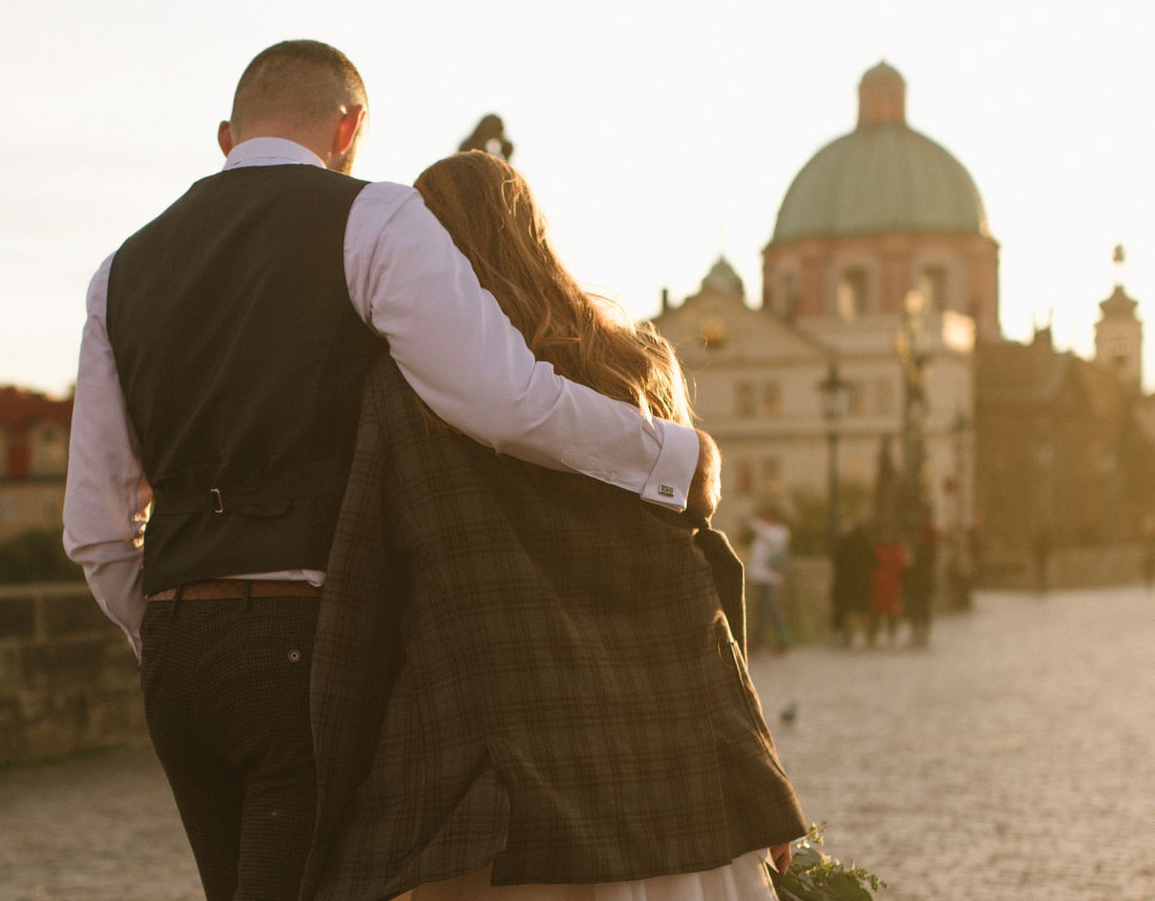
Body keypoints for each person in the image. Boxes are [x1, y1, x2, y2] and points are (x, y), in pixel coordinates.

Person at [62, 42, 722, 901]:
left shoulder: (120, 271)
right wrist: (672, 456)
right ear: (352, 126)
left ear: (227, 136)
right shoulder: (373, 218)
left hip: (179, 658)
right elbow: (503, 401)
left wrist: (165, 632)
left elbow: (95, 529)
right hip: (307, 642)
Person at [305, 149, 801, 901]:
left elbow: (364, 596)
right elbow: (693, 598)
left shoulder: (397, 394)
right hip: (669, 770)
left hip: (501, 779)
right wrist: (757, 770)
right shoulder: (634, 370)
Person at [744, 509, 792, 653]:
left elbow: (766, 534)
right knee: (769, 610)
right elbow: (756, 559)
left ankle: (762, 643)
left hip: (769, 579)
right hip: (759, 578)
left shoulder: (779, 532)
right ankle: (781, 639)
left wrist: (751, 521)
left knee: (765, 611)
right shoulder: (762, 537)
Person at [830, 522, 875, 648]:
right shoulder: (867, 545)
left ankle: (846, 635)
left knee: (846, 610)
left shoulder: (847, 545)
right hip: (864, 584)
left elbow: (838, 562)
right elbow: (875, 562)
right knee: (865, 610)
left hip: (848, 584)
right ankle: (869, 635)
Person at [900, 521, 938, 648]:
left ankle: (916, 632)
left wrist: (907, 570)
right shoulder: (933, 549)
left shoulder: (921, 548)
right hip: (926, 583)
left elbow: (915, 566)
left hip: (917, 584)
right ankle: (923, 632)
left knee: (916, 608)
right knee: (924, 608)